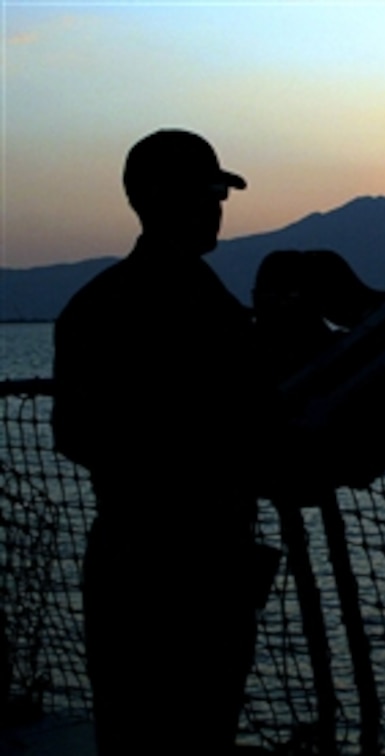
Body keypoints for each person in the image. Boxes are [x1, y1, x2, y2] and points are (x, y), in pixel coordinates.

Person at [52, 129, 277, 754]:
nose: (217, 207)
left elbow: (74, 434)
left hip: (129, 567)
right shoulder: (205, 310)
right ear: (160, 196)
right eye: (207, 192)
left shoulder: (92, 306)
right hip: (193, 574)